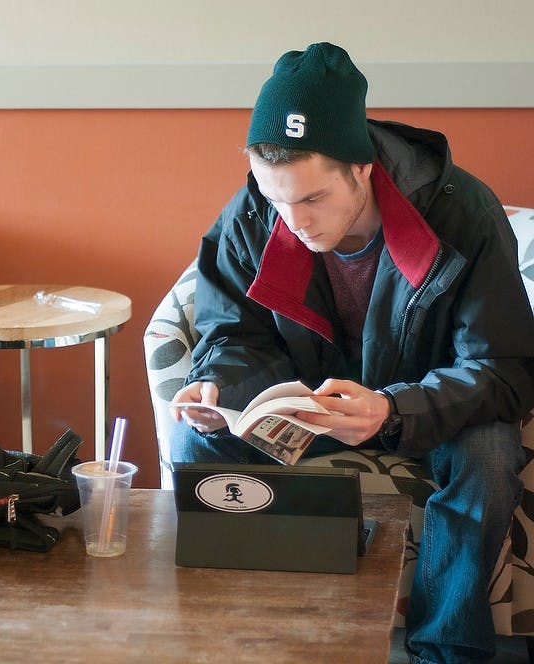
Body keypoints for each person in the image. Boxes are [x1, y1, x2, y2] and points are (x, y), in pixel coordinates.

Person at [169, 42, 534, 664]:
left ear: (362, 169)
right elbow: (234, 334)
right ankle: (239, 637)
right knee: (195, 443)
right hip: (310, 408)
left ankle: (444, 649)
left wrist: (393, 410)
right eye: (275, 196)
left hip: (424, 410)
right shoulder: (255, 214)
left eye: (312, 199)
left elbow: (504, 369)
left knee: (492, 453)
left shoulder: (462, 212)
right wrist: (218, 388)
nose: (293, 219)